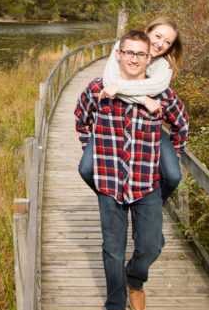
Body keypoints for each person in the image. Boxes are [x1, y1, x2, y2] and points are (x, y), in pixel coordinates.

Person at [74, 29, 189, 310]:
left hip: (145, 182)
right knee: (112, 249)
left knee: (152, 246)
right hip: (110, 183)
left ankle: (135, 280)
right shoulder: (99, 88)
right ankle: (115, 307)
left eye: (141, 54)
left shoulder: (161, 95)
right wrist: (93, 150)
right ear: (119, 54)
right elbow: (81, 117)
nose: (135, 59)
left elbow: (181, 124)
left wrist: (174, 154)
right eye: (129, 53)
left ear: (149, 57)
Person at [78, 18, 184, 202]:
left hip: (146, 128)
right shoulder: (123, 47)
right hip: (112, 125)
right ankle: (110, 196)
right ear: (147, 32)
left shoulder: (165, 64)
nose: (160, 44)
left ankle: (153, 201)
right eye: (157, 36)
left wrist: (176, 153)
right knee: (86, 169)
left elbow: (155, 87)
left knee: (174, 176)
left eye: (168, 42)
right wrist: (144, 99)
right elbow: (110, 82)